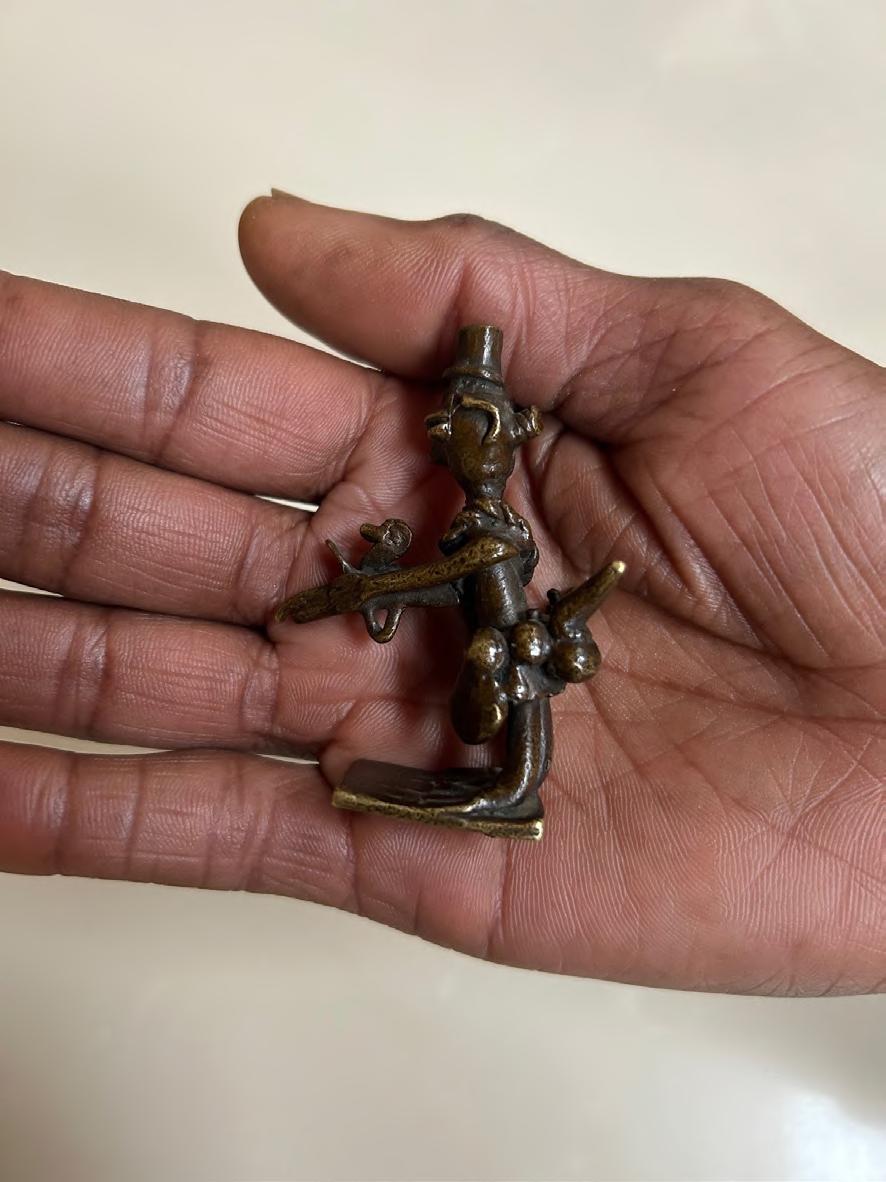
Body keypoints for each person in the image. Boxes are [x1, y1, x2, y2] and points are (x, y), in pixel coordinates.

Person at [0, 193, 881, 995]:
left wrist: (363, 593)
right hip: (496, 649)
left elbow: (447, 581)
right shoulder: (479, 522)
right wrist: (377, 590)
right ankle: (504, 786)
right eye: (447, 428)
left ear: (501, 441)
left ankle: (508, 792)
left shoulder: (492, 532)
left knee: (500, 695)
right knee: (493, 694)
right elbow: (440, 584)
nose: (450, 440)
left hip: (507, 654)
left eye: (466, 427)